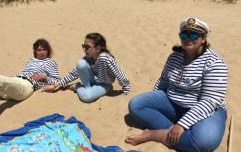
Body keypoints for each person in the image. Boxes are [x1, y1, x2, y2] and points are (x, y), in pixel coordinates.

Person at [125, 18, 228, 152]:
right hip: (173, 103)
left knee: (205, 142)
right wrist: (154, 98)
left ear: (203, 38)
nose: (188, 39)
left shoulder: (214, 63)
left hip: (206, 109)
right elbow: (163, 82)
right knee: (136, 105)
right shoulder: (175, 56)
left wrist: (181, 124)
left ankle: (157, 135)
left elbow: (210, 100)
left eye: (194, 35)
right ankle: (174, 133)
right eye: (184, 35)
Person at [0, 38, 60, 127]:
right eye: (39, 50)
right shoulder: (30, 60)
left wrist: (44, 77)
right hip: (14, 82)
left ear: (48, 50)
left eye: (44, 50)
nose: (42, 52)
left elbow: (57, 80)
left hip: (26, 86)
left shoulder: (50, 62)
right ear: (35, 51)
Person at [42, 32, 130, 103]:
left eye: (87, 47)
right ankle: (87, 88)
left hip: (104, 84)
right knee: (80, 64)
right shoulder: (89, 57)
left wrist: (126, 90)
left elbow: (119, 72)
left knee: (87, 97)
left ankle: (76, 86)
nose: (84, 49)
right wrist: (55, 85)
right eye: (83, 46)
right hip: (92, 81)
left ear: (98, 48)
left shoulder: (105, 58)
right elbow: (74, 73)